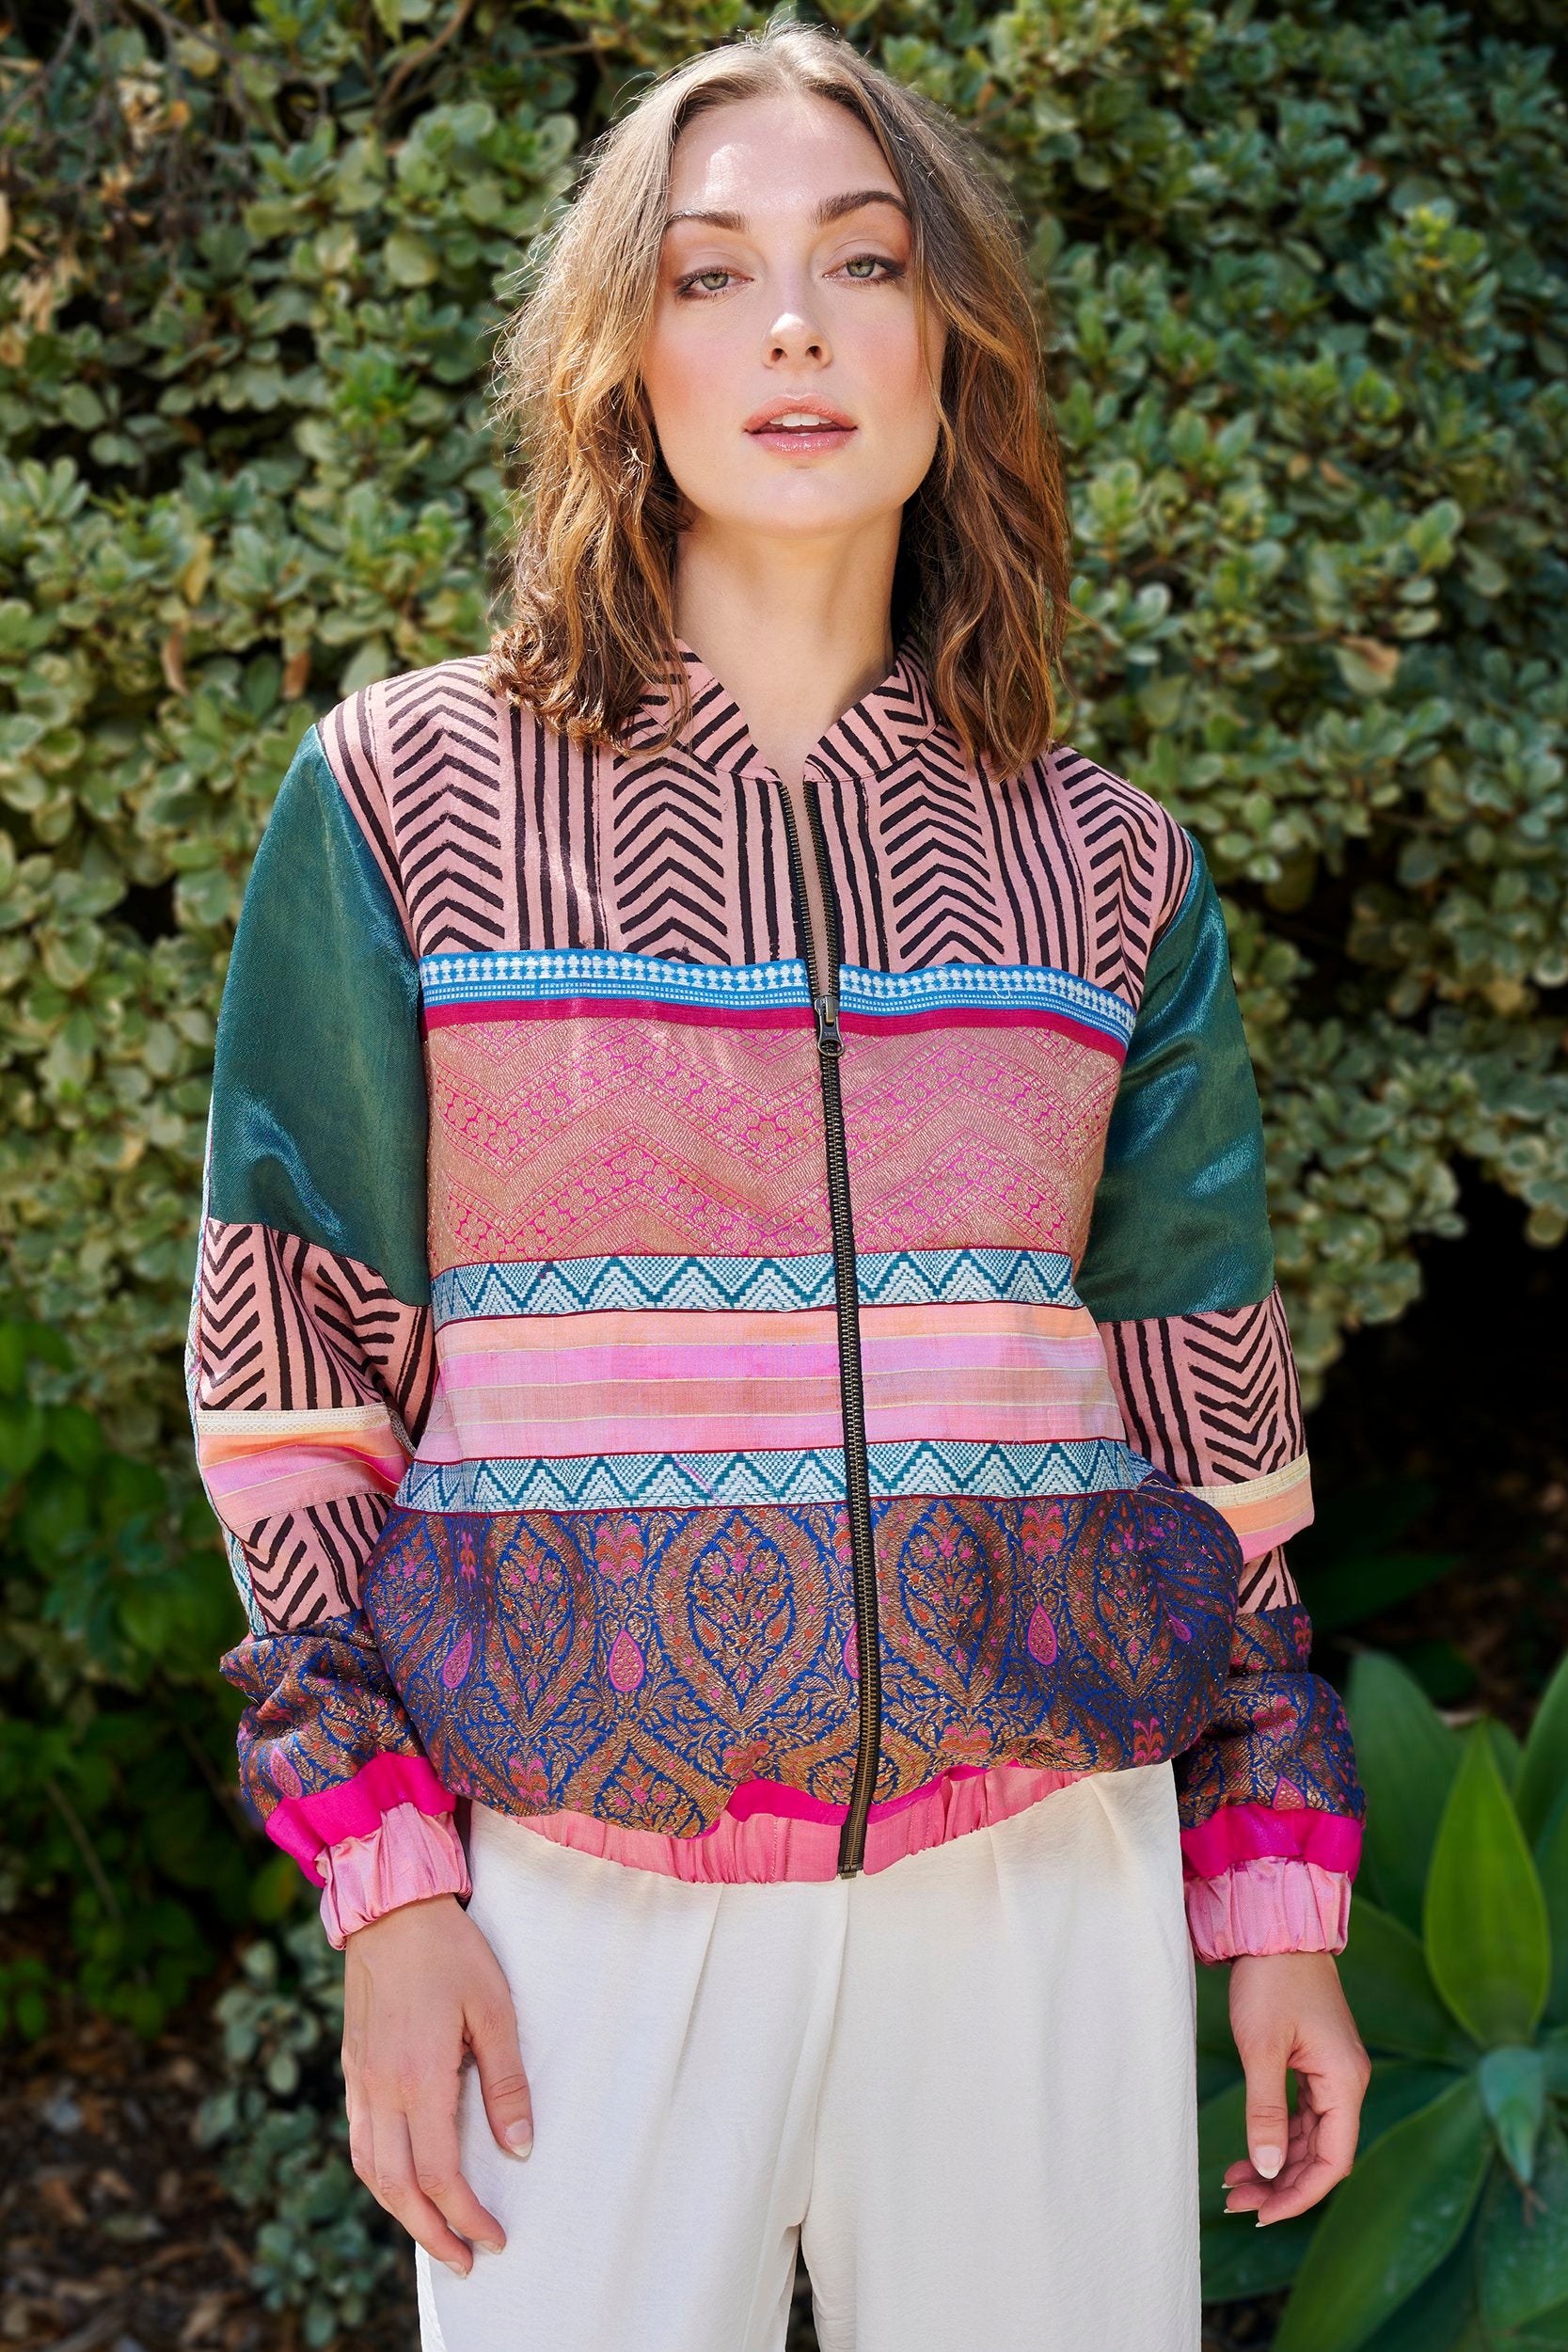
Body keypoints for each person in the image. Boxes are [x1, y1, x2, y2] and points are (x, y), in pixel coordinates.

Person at [184, 17, 1370, 2350]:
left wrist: (1274, 1879)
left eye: (864, 262)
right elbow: (297, 1363)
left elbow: (1205, 1412)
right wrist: (386, 1881)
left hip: (1038, 1864)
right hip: (566, 1883)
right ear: (627, 359)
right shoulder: (408, 798)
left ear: (959, 349)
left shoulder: (1108, 869)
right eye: (715, 274)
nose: (799, 324)